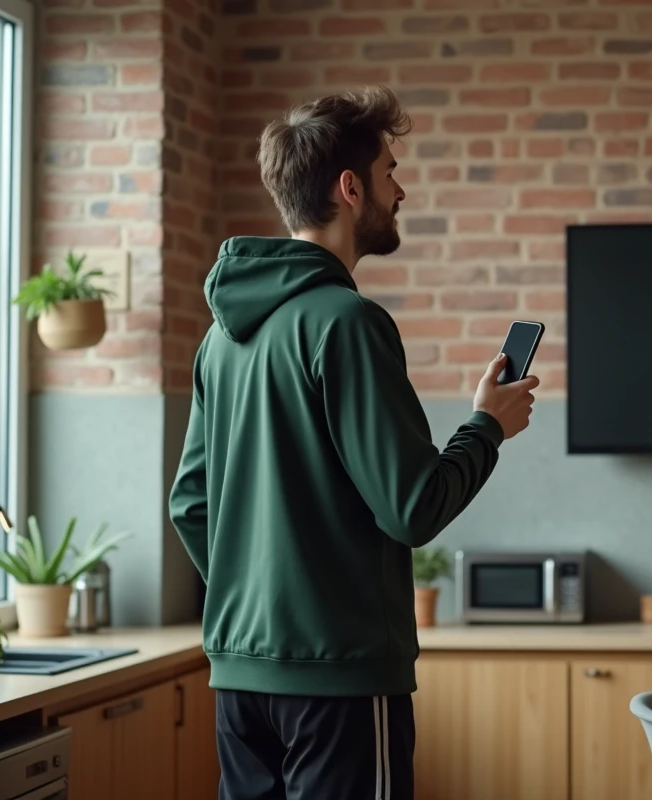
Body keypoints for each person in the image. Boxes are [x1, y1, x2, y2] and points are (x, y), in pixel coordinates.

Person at [168, 87, 538, 800]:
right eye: (390, 171)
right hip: (337, 681)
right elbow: (413, 508)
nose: (400, 189)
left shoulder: (222, 338)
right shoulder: (348, 324)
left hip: (241, 678)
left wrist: (261, 602)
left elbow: (191, 504)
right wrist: (487, 427)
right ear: (349, 187)